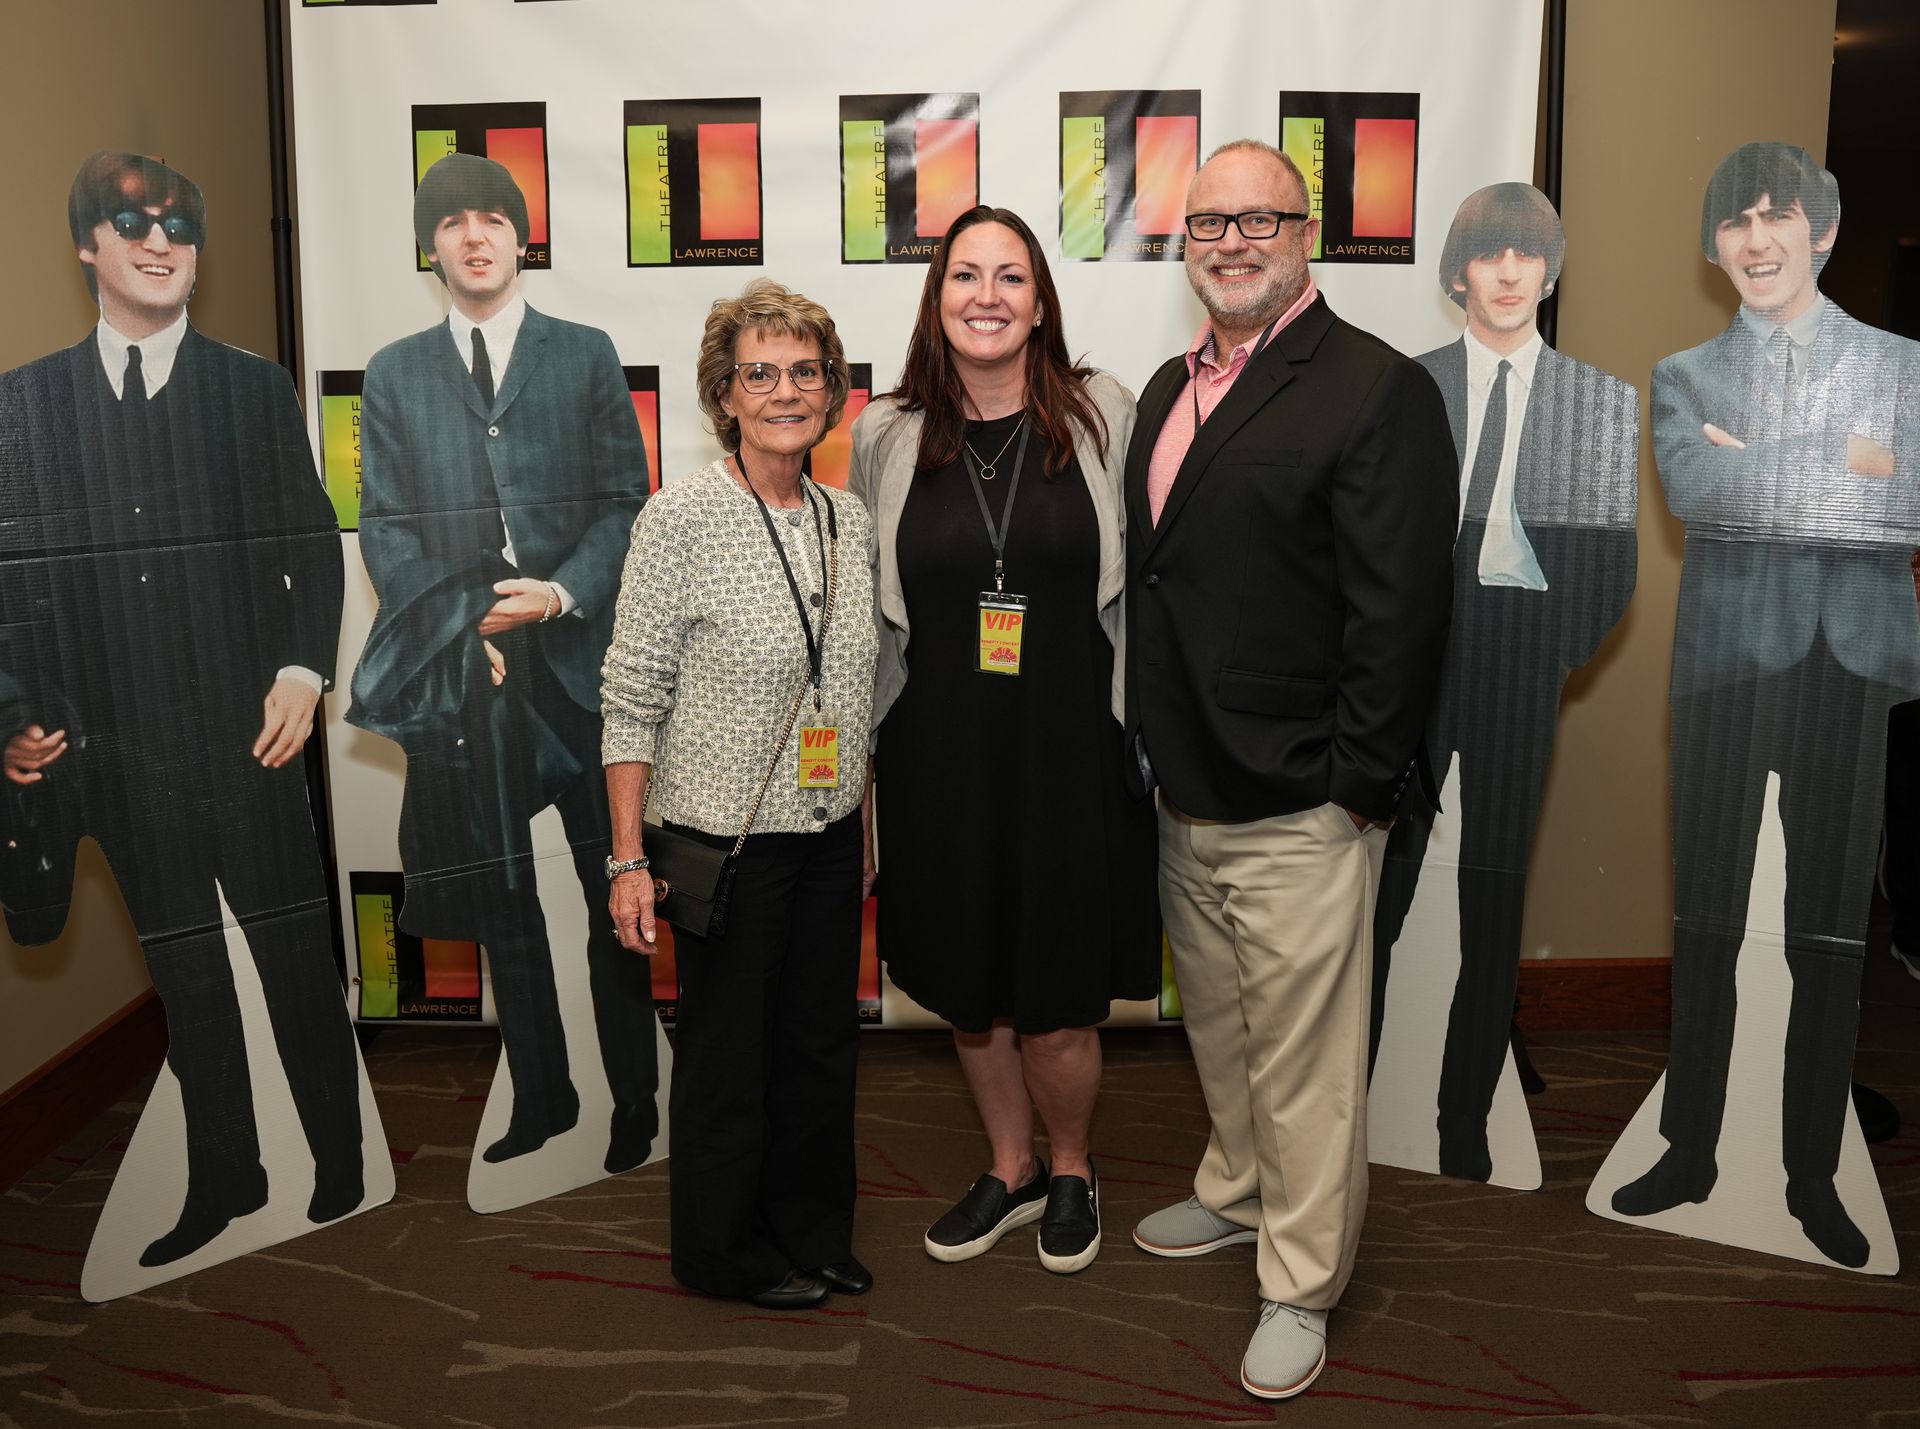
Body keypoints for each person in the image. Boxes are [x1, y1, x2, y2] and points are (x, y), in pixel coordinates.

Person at [1123, 140, 1456, 1400]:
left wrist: (1355, 788)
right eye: (1210, 222)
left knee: (1309, 1068)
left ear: (1308, 233)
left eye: (1261, 219)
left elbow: (1399, 617)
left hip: (1305, 799)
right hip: (1185, 788)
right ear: (1188, 241)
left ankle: (1300, 1281)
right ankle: (1236, 1189)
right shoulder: (1167, 386)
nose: (1233, 241)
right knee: (1221, 1031)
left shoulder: (1373, 389)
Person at [0, 151, 363, 1267]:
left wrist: (304, 673)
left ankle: (342, 1165)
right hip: (116, 758)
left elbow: (311, 546)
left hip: (250, 747)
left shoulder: (250, 388)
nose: (162, 243)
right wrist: (13, 712)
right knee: (191, 980)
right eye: (133, 222)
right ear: (87, 246)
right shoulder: (27, 405)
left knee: (296, 963)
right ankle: (227, 1177)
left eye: (179, 226)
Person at [1608, 142, 1920, 1268]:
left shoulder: (1902, 366)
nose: (1754, 238)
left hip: (1852, 668)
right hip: (1727, 671)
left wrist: (1775, 465)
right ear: (1713, 244)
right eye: (1732, 220)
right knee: (1708, 921)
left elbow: (1907, 508)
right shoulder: (1687, 374)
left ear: (1822, 232)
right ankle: (1691, 1147)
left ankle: (1811, 1172)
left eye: (1775, 216)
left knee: (1831, 934)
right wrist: (1843, 456)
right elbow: (1697, 492)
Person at [847, 206, 1158, 1275]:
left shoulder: (1108, 414)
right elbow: (863, 612)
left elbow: (1150, 589)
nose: (987, 295)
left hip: (1073, 752)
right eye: (965, 275)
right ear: (937, 299)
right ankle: (1012, 1163)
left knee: (1062, 994)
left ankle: (1072, 1166)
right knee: (971, 991)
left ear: (1040, 302)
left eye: (1010, 277)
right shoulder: (886, 434)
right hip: (939, 762)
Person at [347, 153, 657, 1175]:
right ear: (429, 245)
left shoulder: (585, 353)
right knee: (506, 904)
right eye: (451, 222)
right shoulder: (392, 373)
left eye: (492, 218)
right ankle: (546, 1098)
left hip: (578, 665)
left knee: (615, 888)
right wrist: (459, 626)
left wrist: (561, 592)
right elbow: (387, 529)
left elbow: (625, 504)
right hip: (471, 675)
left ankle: (635, 1100)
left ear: (521, 238)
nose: (473, 235)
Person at [603, 279, 878, 1311]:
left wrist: (864, 818)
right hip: (724, 841)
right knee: (730, 1059)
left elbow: (852, 689)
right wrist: (629, 858)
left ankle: (813, 1231)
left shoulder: (848, 520)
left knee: (820, 1047)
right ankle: (721, 1253)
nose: (784, 391)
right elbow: (629, 698)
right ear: (723, 395)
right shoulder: (680, 517)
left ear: (834, 394)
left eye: (805, 372)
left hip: (827, 832)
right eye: (758, 373)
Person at [1368, 183, 1639, 1180]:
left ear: (1552, 271)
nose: (1512, 271)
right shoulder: (1407, 389)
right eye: (1491, 254)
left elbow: (1612, 572)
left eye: (1530, 254)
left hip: (1519, 673)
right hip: (1413, 672)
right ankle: (1350, 1102)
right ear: (1458, 274)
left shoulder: (1598, 403)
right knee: (1384, 896)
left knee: (1492, 902)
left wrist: (1543, 657)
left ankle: (1463, 1118)